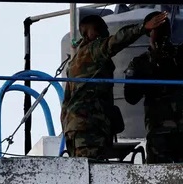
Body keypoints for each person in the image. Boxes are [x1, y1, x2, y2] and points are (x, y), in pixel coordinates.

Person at [61, 12, 170, 159]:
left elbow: (66, 102)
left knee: (83, 169)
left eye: (105, 28)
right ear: (87, 33)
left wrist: (67, 128)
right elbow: (117, 41)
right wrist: (143, 28)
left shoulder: (75, 61)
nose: (105, 32)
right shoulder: (93, 50)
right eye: (99, 29)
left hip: (77, 128)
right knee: (91, 168)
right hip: (89, 126)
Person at [123, 11, 183, 163]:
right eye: (157, 29)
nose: (162, 34)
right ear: (149, 32)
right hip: (159, 130)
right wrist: (148, 74)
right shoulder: (141, 63)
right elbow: (131, 97)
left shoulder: (182, 54)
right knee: (159, 175)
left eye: (164, 29)